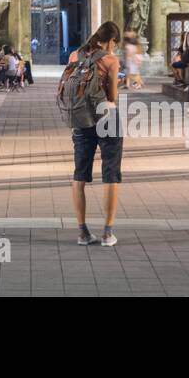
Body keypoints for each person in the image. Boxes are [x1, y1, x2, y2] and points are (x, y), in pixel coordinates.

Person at [64, 21, 124, 247]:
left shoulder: (74, 56)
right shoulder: (110, 60)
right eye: (114, 44)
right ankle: (108, 234)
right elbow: (112, 96)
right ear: (111, 41)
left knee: (79, 175)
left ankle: (83, 233)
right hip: (106, 117)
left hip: (80, 118)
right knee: (111, 173)